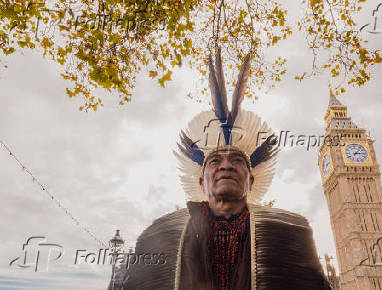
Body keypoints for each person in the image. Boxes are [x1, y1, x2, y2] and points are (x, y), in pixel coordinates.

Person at [123, 49, 332, 290]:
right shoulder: (159, 235)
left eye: (237, 160)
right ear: (201, 182)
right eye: (214, 161)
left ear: (251, 181)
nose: (226, 165)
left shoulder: (289, 232)